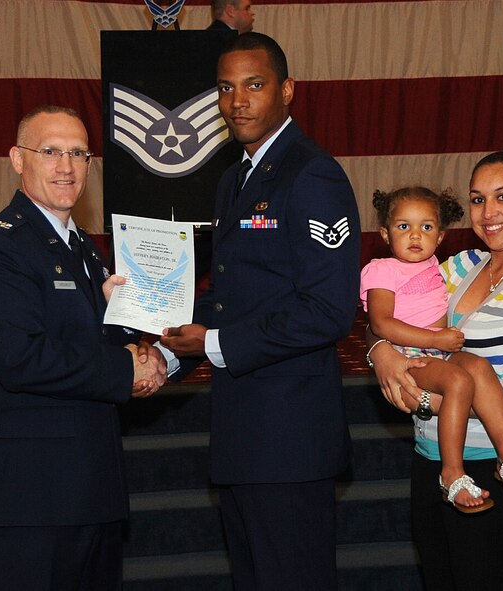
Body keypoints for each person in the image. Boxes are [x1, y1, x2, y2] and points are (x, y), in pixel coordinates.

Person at [159, 33, 360, 590]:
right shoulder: (233, 179)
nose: (238, 101)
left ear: (287, 90)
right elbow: (230, 296)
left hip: (290, 441)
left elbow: (327, 310)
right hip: (243, 433)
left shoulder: (312, 175)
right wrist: (160, 330)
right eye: (226, 88)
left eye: (254, 85)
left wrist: (213, 344)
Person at [0, 105, 168, 591]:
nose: (66, 166)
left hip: (91, 496)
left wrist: (153, 350)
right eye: (49, 152)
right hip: (25, 504)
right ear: (16, 159)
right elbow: (21, 360)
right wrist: (124, 368)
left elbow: (92, 340)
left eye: (78, 153)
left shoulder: (85, 250)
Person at [367, 152, 503, 590]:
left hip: (500, 472)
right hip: (434, 462)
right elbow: (392, 315)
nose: (488, 212)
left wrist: (422, 399)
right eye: (478, 199)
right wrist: (381, 351)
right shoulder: (459, 265)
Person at [361, 186, 503, 514]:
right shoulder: (381, 269)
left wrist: (440, 344)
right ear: (385, 233)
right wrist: (434, 340)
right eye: (403, 227)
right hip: (409, 354)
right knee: (458, 382)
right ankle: (451, 473)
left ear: (440, 237)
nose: (415, 236)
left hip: (437, 352)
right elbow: (381, 323)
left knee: (480, 368)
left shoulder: (440, 268)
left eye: (426, 227)